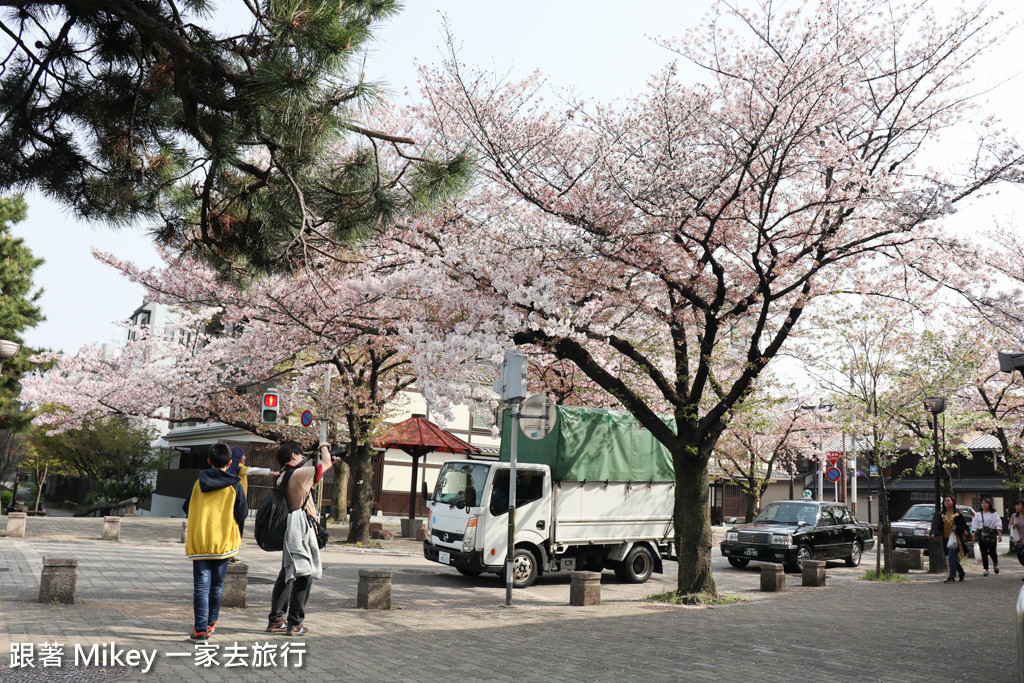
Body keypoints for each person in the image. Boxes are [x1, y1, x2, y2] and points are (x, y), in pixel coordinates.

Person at [266, 441, 340, 636]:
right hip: (300, 530)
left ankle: (276, 619)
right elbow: (325, 463)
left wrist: (326, 462)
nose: (301, 459)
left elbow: (311, 484)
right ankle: (295, 623)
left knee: (287, 574)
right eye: (300, 455)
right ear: (293, 456)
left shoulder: (283, 476)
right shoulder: (299, 473)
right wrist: (324, 446)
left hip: (288, 530)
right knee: (303, 575)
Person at [182, 442, 247, 642]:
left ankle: (200, 630)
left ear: (209, 461)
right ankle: (211, 623)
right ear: (229, 463)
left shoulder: (197, 483)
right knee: (217, 586)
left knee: (201, 587)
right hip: (223, 544)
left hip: (200, 542)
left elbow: (187, 507)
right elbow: (242, 513)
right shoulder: (234, 485)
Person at [931, 495, 968, 584]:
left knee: (951, 557)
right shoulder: (942, 514)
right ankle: (961, 572)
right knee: (953, 558)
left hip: (956, 539)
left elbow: (964, 526)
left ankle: (952, 576)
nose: (947, 502)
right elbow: (938, 526)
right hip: (947, 539)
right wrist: (934, 533)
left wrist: (956, 528)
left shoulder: (958, 514)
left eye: (949, 500)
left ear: (953, 502)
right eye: (945, 501)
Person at [972, 497, 1002, 577]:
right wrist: (974, 536)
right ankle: (986, 569)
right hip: (981, 535)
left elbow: (998, 524)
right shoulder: (978, 514)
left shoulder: (994, 514)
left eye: (986, 503)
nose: (984, 504)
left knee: (992, 552)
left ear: (989, 504)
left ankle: (995, 564)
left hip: (991, 535)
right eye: (982, 503)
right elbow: (975, 526)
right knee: (984, 553)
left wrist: (1000, 534)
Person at [1010, 501, 1024, 576]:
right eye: (1016, 505)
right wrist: (1013, 526)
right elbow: (1009, 526)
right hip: (1018, 540)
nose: (1017, 507)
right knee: (1021, 558)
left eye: (1019, 505)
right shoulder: (1014, 516)